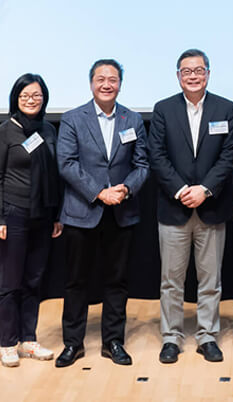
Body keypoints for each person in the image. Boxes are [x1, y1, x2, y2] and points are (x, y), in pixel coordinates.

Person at [54, 59, 149, 368]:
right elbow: (67, 163)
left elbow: (143, 165)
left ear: (120, 83)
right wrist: (99, 192)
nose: (107, 84)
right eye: (100, 78)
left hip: (121, 212)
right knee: (76, 281)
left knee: (117, 281)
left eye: (113, 79)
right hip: (83, 211)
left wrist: (126, 189)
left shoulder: (132, 119)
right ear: (91, 83)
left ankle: (113, 342)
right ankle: (73, 344)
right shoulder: (72, 118)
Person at [148, 49, 233, 364]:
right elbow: (156, 156)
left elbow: (229, 156)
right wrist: (183, 190)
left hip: (212, 208)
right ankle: (171, 338)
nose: (193, 76)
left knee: (210, 279)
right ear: (178, 76)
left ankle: (207, 336)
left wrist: (206, 190)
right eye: (187, 71)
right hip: (174, 209)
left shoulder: (226, 109)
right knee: (171, 280)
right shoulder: (163, 109)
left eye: (199, 70)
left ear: (208, 73)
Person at [0, 73, 62, 367]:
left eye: (37, 96)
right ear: (16, 99)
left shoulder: (49, 130)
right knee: (10, 282)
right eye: (25, 96)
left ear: (44, 99)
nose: (31, 100)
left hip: (43, 215)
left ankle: (28, 339)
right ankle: (7, 343)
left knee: (34, 279)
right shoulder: (5, 132)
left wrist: (56, 215)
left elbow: (55, 175)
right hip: (13, 214)